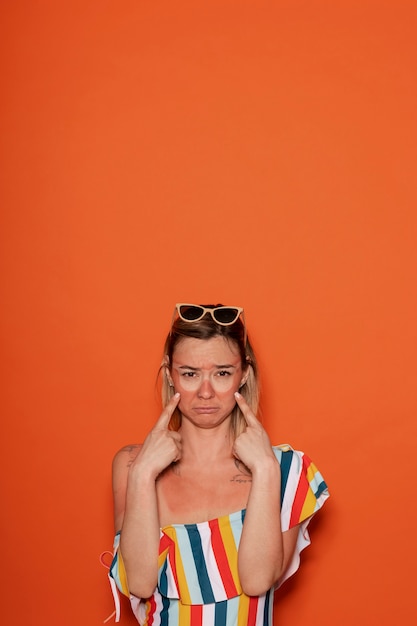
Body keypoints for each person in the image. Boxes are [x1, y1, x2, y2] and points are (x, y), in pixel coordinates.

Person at [108, 303, 329, 625]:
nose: (206, 392)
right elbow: (141, 582)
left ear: (245, 375)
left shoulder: (284, 468)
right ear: (170, 373)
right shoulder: (131, 464)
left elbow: (257, 580)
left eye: (222, 373)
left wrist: (265, 470)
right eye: (190, 374)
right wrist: (144, 473)